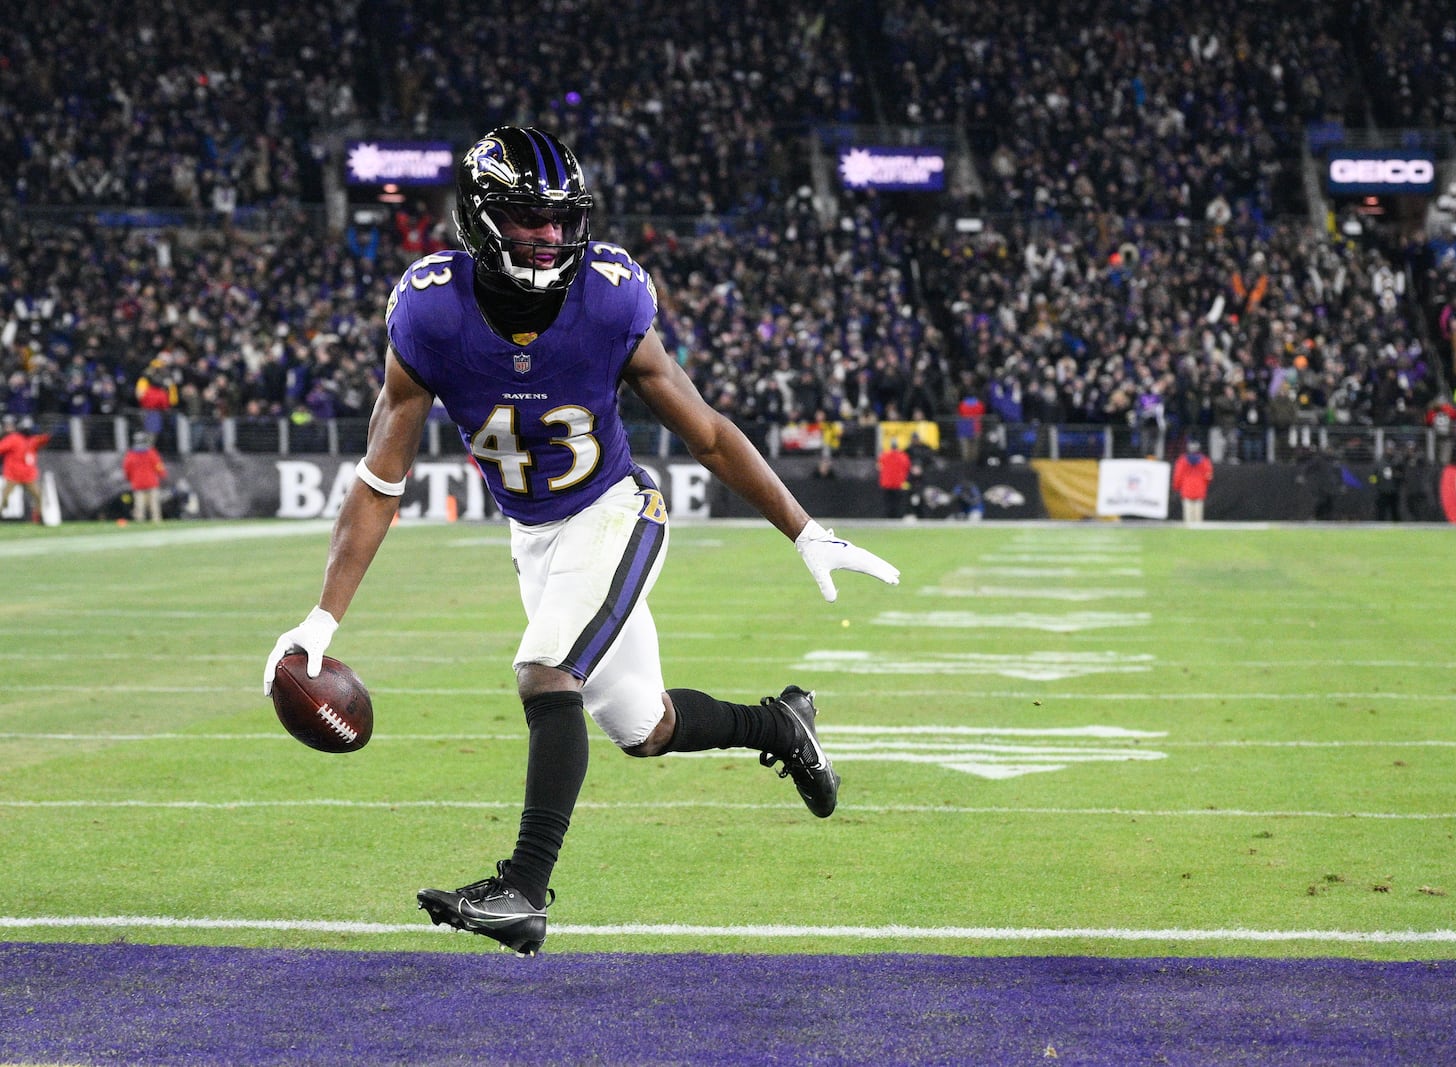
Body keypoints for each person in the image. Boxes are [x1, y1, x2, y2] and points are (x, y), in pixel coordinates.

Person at [261, 127, 899, 957]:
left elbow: (705, 432)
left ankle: (523, 890)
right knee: (645, 725)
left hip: (616, 511)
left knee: (545, 671)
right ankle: (784, 726)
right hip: (536, 536)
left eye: (561, 219)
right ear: (484, 220)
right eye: (530, 219)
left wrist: (804, 529)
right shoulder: (429, 312)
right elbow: (381, 481)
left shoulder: (607, 297)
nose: (551, 236)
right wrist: (321, 620)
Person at [0, 416, 51, 522]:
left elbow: (44, 439)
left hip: (28, 475)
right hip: (13, 474)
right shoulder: (14, 438)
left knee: (38, 496)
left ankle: (38, 517)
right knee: (4, 498)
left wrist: (47, 433)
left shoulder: (32, 440)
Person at [122, 431, 167, 523]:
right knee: (154, 504)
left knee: (139, 505)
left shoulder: (130, 455)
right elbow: (158, 465)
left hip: (138, 483)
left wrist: (128, 478)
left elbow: (127, 468)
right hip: (151, 482)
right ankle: (156, 521)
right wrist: (162, 474)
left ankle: (140, 521)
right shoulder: (151, 453)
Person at [1171, 437, 1213, 523]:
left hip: (1186, 490)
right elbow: (1209, 476)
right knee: (1198, 518)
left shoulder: (1182, 461)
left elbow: (1177, 476)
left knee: (1188, 518)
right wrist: (1206, 484)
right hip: (1200, 489)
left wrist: (1176, 487)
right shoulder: (1205, 461)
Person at [877, 437, 911, 518]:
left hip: (886, 483)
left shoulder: (884, 456)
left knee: (888, 502)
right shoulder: (903, 456)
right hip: (898, 483)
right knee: (897, 503)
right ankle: (897, 518)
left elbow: (878, 467)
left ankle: (888, 517)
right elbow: (908, 468)